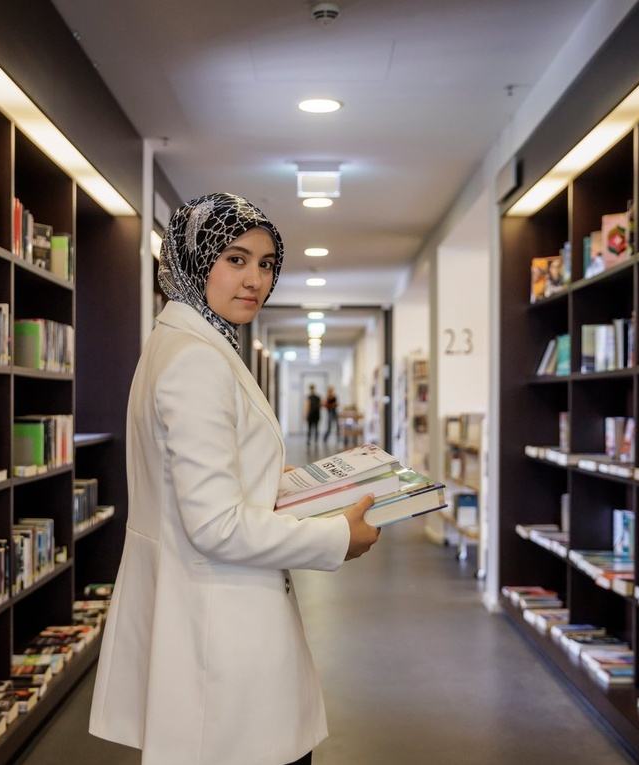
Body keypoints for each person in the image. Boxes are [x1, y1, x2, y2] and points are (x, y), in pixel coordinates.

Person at [88, 193, 381, 765]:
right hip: (220, 629)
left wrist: (282, 481)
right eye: (236, 258)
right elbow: (216, 526)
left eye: (267, 264)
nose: (255, 279)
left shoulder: (180, 344)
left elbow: (195, 483)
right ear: (196, 259)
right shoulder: (198, 359)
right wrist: (338, 538)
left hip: (203, 617)